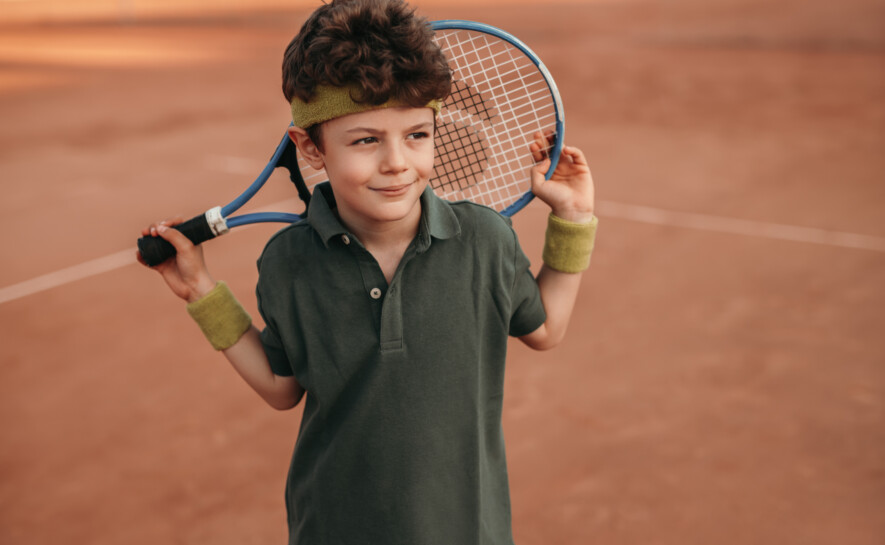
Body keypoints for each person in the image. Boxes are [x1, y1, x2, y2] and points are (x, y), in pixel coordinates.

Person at [137, 0, 597, 543]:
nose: (398, 162)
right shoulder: (288, 262)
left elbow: (544, 329)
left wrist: (573, 219)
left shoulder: (484, 241)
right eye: (365, 140)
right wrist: (199, 290)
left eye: (417, 135)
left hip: (466, 528)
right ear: (310, 146)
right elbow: (283, 387)